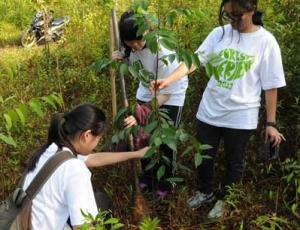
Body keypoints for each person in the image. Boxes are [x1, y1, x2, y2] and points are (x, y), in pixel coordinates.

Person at [149, 0, 286, 218]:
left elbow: (271, 86)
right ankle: (205, 192)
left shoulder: (266, 42)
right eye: (228, 16)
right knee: (204, 156)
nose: (231, 21)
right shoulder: (219, 34)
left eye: (237, 16)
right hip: (209, 111)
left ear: (252, 10)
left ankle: (225, 200)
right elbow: (194, 61)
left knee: (235, 161)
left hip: (241, 116)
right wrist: (168, 80)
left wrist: (271, 123)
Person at [23, 102, 149, 230]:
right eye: (98, 138)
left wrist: (135, 154)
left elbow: (94, 159)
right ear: (87, 135)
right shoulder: (75, 169)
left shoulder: (51, 150)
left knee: (101, 200)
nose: (97, 145)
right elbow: (83, 227)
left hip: (24, 224)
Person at [111, 9, 188, 195]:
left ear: (147, 31)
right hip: (146, 92)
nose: (136, 46)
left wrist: (142, 113)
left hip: (171, 95)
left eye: (139, 40)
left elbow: (167, 92)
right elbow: (138, 69)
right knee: (142, 137)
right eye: (130, 43)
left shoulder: (162, 51)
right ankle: (148, 177)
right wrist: (124, 60)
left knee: (165, 142)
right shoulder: (130, 47)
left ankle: (167, 182)